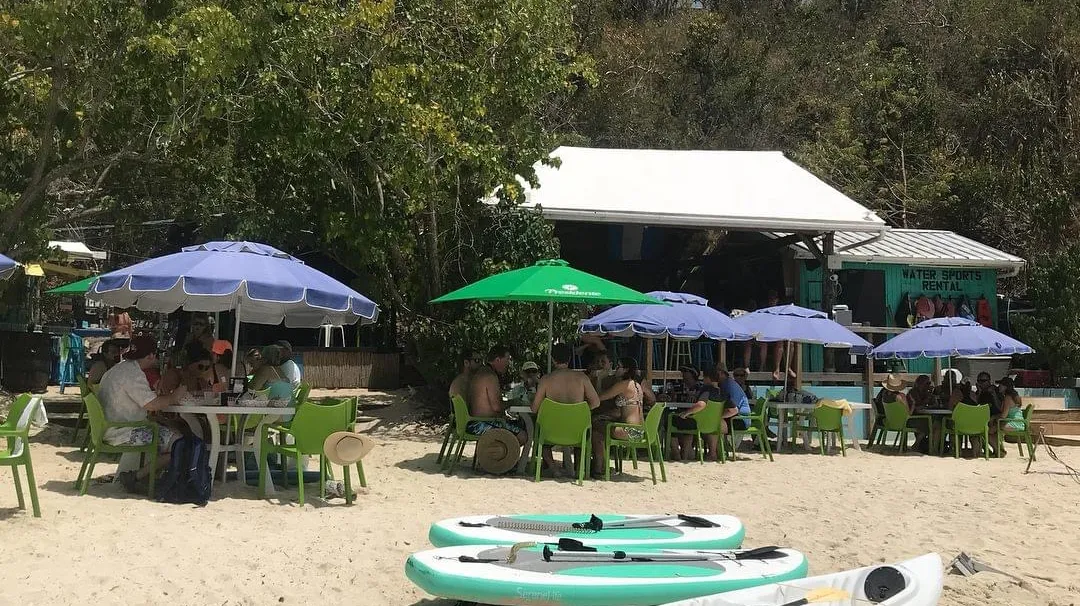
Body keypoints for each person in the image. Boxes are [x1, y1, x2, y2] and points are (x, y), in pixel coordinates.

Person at [96, 335, 188, 492]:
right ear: (151, 355)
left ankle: (146, 477)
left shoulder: (119, 369)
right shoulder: (133, 374)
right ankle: (137, 476)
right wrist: (174, 396)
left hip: (111, 426)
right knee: (179, 443)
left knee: (169, 430)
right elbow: (151, 405)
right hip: (123, 431)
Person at [531, 343, 600, 476]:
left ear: (552, 359)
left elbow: (534, 409)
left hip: (551, 431)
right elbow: (596, 402)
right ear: (569, 359)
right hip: (577, 431)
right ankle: (579, 470)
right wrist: (582, 410)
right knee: (581, 442)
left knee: (541, 439)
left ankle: (554, 468)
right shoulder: (582, 378)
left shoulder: (546, 380)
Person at [590, 357, 652, 477]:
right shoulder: (637, 385)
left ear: (626, 370)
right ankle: (601, 466)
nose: (616, 369)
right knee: (600, 424)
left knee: (595, 428)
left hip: (629, 431)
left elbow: (599, 398)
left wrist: (600, 378)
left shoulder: (624, 385)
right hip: (639, 431)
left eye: (619, 367)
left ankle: (598, 468)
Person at [467, 345, 527, 443]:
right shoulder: (490, 376)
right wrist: (513, 402)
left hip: (475, 421)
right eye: (507, 359)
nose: (508, 363)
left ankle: (498, 456)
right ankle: (497, 456)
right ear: (498, 360)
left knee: (519, 424)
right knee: (522, 435)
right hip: (481, 424)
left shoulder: (483, 372)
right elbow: (497, 407)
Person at [671, 367, 729, 462]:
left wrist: (686, 413)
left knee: (671, 420)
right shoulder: (723, 392)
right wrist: (718, 416)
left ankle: (677, 454)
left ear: (708, 378)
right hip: (714, 424)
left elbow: (701, 404)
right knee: (686, 422)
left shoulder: (706, 390)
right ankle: (691, 453)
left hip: (698, 423)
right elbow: (733, 410)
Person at [989, 378, 1024, 457]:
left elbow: (1003, 415)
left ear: (1005, 387)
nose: (999, 387)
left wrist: (993, 417)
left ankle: (999, 452)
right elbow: (1001, 410)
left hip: (1014, 423)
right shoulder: (1012, 396)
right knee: (993, 429)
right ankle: (999, 451)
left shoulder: (1008, 398)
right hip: (1018, 422)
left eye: (1001, 385)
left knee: (989, 431)